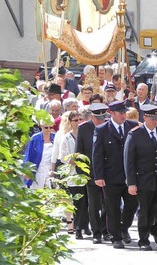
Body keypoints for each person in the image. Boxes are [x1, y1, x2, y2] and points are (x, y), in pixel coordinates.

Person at [92, 101, 140, 249]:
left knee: (132, 205)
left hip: (130, 176)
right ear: (112, 113)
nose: (124, 116)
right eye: (120, 113)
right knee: (112, 208)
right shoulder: (102, 130)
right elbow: (97, 155)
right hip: (110, 176)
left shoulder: (133, 126)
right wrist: (98, 176)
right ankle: (116, 237)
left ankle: (124, 228)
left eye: (125, 113)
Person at [124, 104, 157, 251]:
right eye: (152, 118)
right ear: (144, 117)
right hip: (143, 179)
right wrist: (131, 183)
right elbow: (129, 160)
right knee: (145, 210)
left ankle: (156, 230)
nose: (155, 121)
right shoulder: (135, 133)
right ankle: (143, 239)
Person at [76, 103, 109, 243]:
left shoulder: (108, 127)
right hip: (91, 173)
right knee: (94, 204)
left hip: (108, 172)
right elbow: (80, 152)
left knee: (108, 204)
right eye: (98, 118)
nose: (101, 121)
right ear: (91, 116)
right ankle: (96, 232)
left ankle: (105, 229)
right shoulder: (83, 128)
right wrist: (82, 173)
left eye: (103, 118)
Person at [57, 111, 87, 239]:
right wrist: (72, 161)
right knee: (77, 201)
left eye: (80, 119)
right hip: (73, 174)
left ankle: (84, 225)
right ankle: (78, 227)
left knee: (86, 202)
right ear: (70, 122)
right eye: (75, 120)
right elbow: (62, 155)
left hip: (85, 173)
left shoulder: (86, 135)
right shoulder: (67, 137)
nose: (78, 122)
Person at [24, 120, 56, 189]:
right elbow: (28, 155)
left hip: (50, 170)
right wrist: (26, 171)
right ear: (41, 126)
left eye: (50, 127)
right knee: (36, 193)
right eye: (46, 127)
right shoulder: (35, 138)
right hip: (37, 169)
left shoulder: (55, 137)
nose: (48, 130)